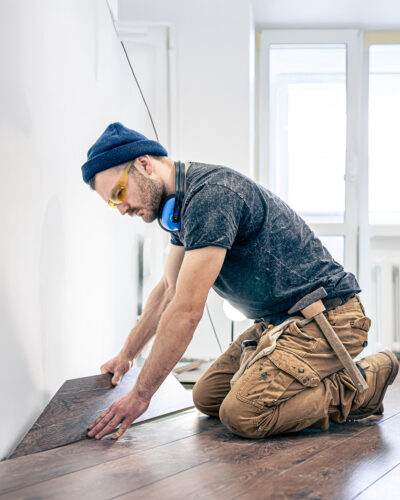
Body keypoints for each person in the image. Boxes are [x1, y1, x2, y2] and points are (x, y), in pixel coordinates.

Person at [83, 122, 398, 440]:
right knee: (207, 398)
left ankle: (362, 386)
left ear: (144, 164)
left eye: (119, 193)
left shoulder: (210, 197)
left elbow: (187, 310)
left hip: (329, 317)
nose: (121, 209)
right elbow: (168, 289)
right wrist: (127, 354)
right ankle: (325, 383)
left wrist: (140, 396)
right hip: (278, 324)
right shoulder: (180, 207)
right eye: (112, 203)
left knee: (243, 415)